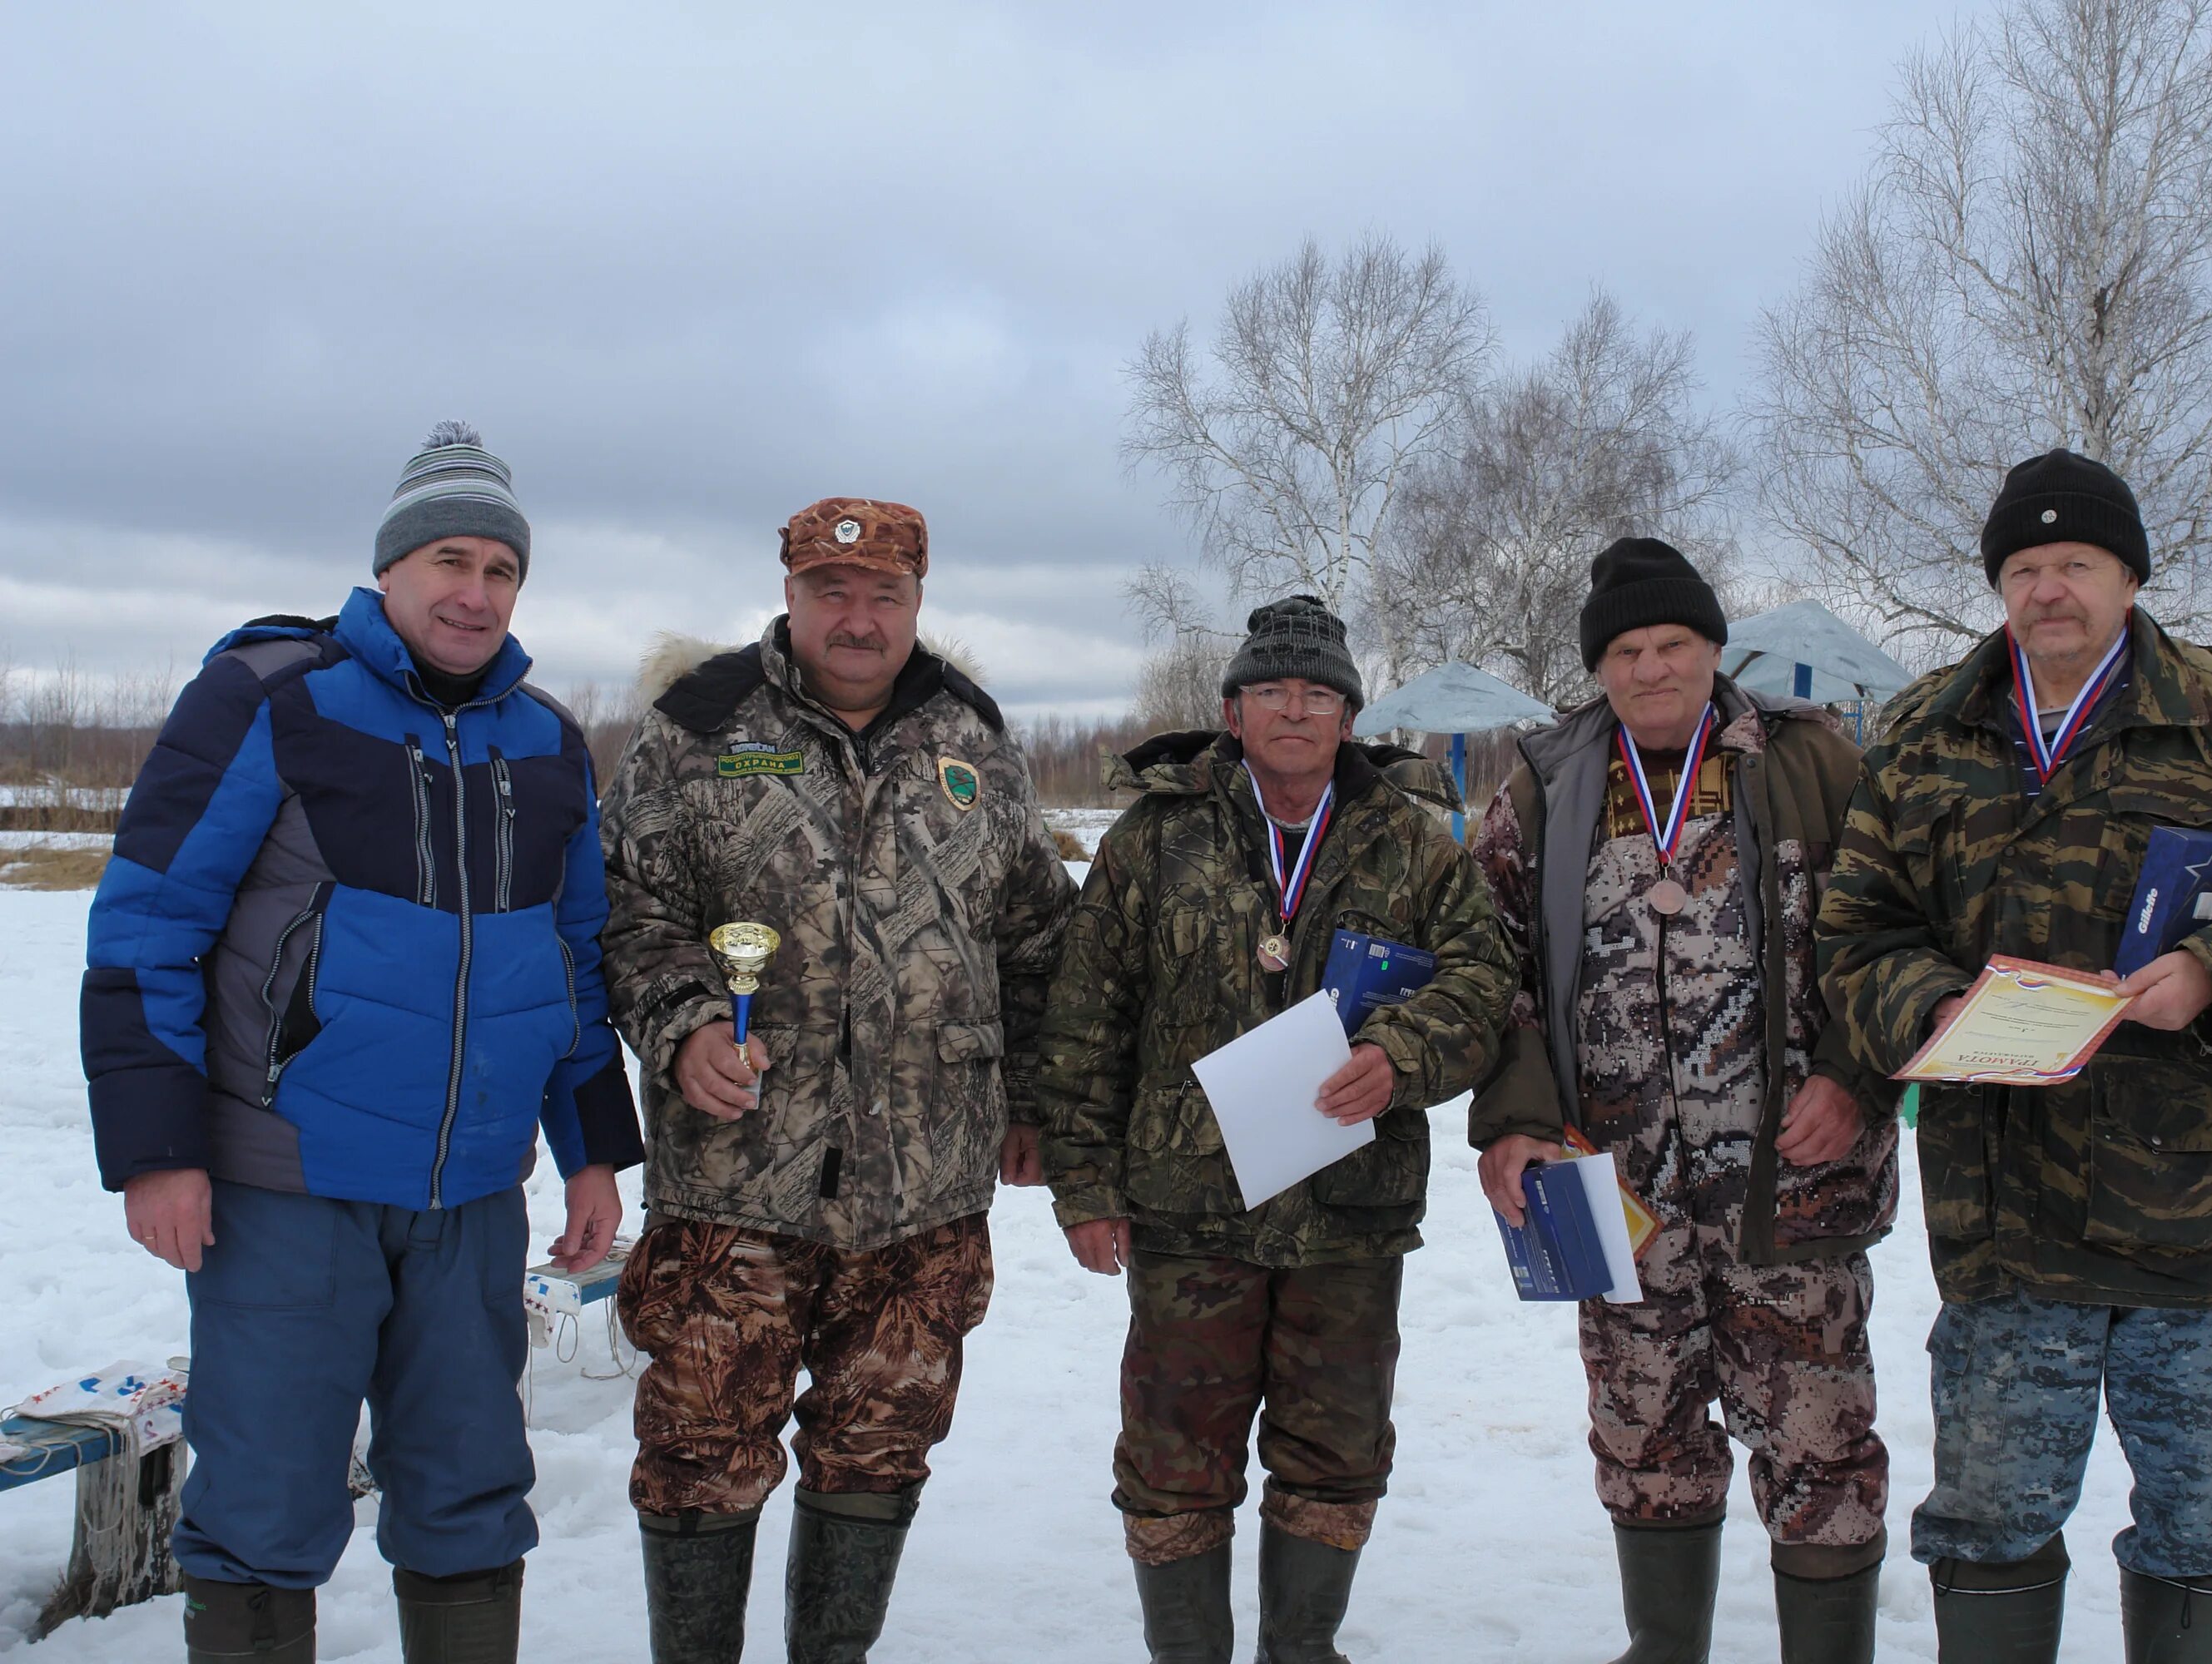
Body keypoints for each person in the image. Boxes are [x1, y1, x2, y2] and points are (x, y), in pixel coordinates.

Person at [1816, 449, 2212, 1664]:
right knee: (1990, 1517)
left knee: (2210, 1519)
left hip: (2203, 1222)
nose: (2051, 590)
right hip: (2007, 1223)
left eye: (2078, 564)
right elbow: (1859, 927)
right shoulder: (1929, 733)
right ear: (2002, 584)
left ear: (2130, 577)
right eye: (2027, 567)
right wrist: (1930, 1008)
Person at [80, 422, 642, 1664]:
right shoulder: (274, 698)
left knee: (470, 1496)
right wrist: (156, 1150)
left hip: (473, 1196)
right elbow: (147, 926)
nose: (475, 592)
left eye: (502, 571)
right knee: (266, 1505)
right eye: (450, 559)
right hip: (291, 1183)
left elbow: (575, 957)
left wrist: (592, 1149)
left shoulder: (548, 744)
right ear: (388, 569)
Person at [598, 496, 1075, 1663]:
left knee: (881, 1447)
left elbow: (1037, 943)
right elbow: (628, 913)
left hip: (926, 1189)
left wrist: (1043, 1108)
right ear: (792, 593)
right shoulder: (698, 727)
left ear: (918, 602)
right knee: (701, 1449)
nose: (858, 618)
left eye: (886, 596)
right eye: (832, 591)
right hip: (738, 1179)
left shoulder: (976, 740)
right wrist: (684, 1024)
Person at [1034, 594, 1516, 1664]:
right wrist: (1086, 1184)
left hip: (1350, 1203)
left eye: (1318, 694)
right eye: (1271, 691)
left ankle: (1302, 1647)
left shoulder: (1415, 841)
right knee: (1173, 1456)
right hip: (1188, 1208)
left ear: (1349, 717)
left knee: (1336, 1451)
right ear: (1232, 709)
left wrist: (1404, 1052)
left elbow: (1486, 981)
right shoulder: (1153, 836)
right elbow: (1084, 1014)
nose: (1294, 710)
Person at [1468, 538, 1897, 1664]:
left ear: (1714, 648)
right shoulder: (1546, 784)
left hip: (1792, 1184)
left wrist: (1856, 1078)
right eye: (1625, 651)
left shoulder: (1813, 766)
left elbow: (1894, 939)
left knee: (1822, 1442)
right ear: (1600, 668)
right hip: (1613, 1191)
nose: (1651, 669)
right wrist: (1515, 1115)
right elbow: (1484, 962)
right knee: (1645, 1435)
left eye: (1672, 644)